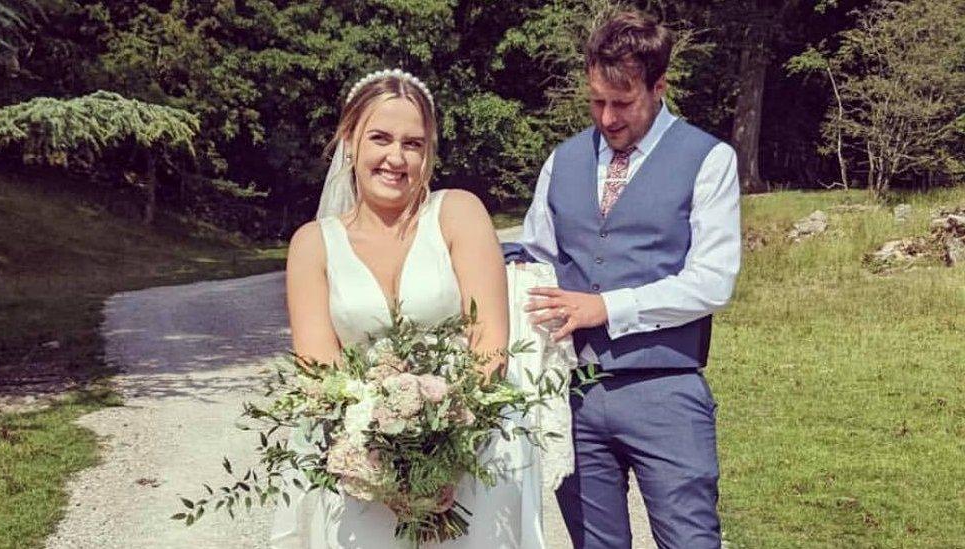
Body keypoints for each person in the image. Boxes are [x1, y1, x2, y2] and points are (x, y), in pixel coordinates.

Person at [272, 69, 548, 548]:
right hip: (358, 464)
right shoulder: (313, 245)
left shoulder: (458, 213)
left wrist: (444, 450)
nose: (396, 158)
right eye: (380, 138)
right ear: (350, 140)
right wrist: (386, 465)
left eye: (413, 144)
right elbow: (318, 369)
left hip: (468, 453)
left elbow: (490, 344)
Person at [517, 10, 742, 549]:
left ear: (659, 86)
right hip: (573, 394)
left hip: (665, 391)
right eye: (596, 101)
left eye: (623, 103)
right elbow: (534, 256)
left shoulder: (709, 160)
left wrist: (606, 307)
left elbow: (712, 281)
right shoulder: (562, 160)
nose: (608, 117)